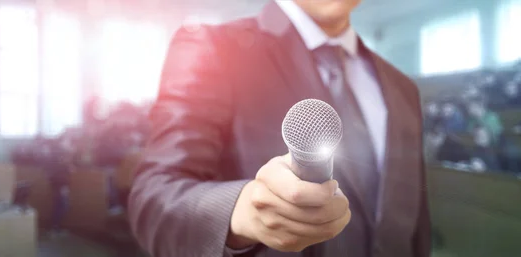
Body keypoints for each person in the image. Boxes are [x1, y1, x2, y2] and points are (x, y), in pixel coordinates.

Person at [128, 0, 430, 256]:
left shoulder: (402, 88)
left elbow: (415, 216)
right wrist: (239, 213)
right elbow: (154, 195)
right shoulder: (214, 47)